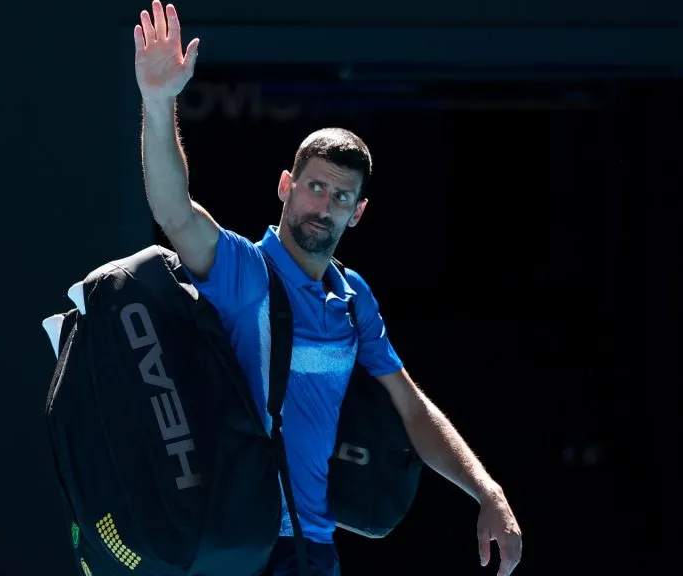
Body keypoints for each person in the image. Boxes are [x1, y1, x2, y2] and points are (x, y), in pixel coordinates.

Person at [132, 2, 523, 575]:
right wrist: (158, 101)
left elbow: (411, 409)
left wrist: (487, 491)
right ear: (286, 186)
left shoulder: (353, 297)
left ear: (357, 213)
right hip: (238, 542)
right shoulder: (243, 270)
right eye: (315, 187)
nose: (324, 206)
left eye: (341, 197)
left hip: (312, 550)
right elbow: (174, 211)